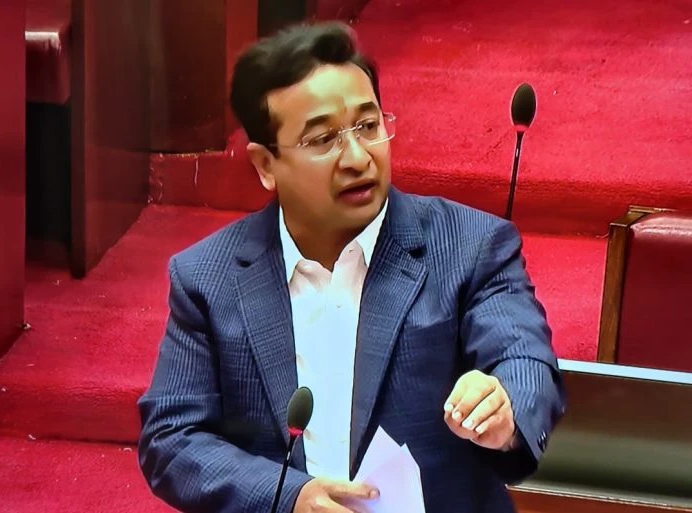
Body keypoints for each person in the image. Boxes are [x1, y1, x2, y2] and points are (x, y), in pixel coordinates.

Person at [138, 21, 565, 513]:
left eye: (368, 126)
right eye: (323, 139)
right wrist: (289, 498)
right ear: (265, 165)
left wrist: (505, 403)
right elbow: (172, 438)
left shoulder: (468, 245)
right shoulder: (208, 279)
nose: (358, 158)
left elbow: (525, 357)